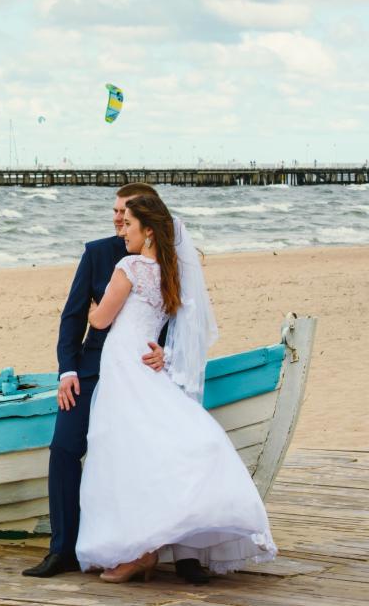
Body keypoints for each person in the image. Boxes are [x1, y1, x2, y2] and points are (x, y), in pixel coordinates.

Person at [75, 195, 276, 582]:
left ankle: (140, 551)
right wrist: (166, 354)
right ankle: (143, 548)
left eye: (129, 225)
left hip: (123, 363)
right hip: (148, 361)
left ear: (148, 231)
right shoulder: (171, 274)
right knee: (145, 445)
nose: (123, 233)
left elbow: (101, 321)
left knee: (124, 451)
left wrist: (90, 306)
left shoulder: (129, 266)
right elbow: (183, 330)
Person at [24, 183, 214, 582]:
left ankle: (184, 554)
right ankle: (63, 551)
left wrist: (169, 355)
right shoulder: (97, 253)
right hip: (91, 372)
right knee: (63, 449)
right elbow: (74, 316)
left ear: (146, 219)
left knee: (161, 454)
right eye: (114, 211)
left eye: (124, 212)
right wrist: (67, 370)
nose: (117, 219)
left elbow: (185, 324)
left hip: (144, 370)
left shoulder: (171, 260)